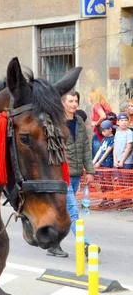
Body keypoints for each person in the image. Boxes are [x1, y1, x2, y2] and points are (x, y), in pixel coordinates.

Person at [47, 91, 94, 258]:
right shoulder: (56, 123)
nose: (74, 104)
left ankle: (52, 244)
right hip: (61, 176)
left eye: (76, 101)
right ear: (62, 103)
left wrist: (89, 170)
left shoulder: (80, 122)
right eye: (71, 101)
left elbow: (85, 149)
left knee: (63, 213)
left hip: (76, 175)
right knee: (73, 212)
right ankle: (86, 245)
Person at [89, 90, 113, 158]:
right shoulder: (106, 106)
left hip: (98, 132)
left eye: (90, 97)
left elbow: (103, 116)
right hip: (107, 133)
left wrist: (96, 123)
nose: (89, 99)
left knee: (97, 154)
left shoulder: (97, 106)